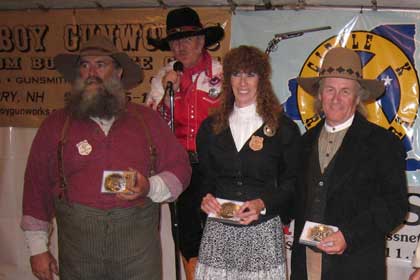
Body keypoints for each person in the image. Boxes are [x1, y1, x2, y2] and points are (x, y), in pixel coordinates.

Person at [21, 35, 191, 280]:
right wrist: (37, 249)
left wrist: (149, 186)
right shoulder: (56, 124)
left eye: (101, 64)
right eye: (84, 65)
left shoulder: (147, 120)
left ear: (118, 72)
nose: (91, 72)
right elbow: (35, 187)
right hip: (78, 253)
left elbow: (180, 168)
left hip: (138, 253)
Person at [290, 47, 408, 280]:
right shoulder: (303, 143)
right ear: (320, 95)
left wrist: (349, 236)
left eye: (345, 91)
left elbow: (394, 206)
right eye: (330, 90)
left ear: (357, 98)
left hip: (356, 266)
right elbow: (290, 197)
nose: (336, 99)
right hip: (307, 264)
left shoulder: (382, 143)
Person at [195, 45, 301, 279]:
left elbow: (292, 182)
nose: (243, 83)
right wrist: (206, 198)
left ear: (261, 79)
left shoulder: (284, 129)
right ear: (228, 79)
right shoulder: (210, 127)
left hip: (262, 231)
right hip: (219, 233)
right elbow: (205, 177)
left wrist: (262, 204)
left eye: (250, 74)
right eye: (236, 74)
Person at [147, 6, 225, 279]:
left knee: (218, 229)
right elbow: (151, 125)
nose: (180, 46)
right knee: (186, 234)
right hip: (179, 167)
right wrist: (172, 91)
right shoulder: (163, 78)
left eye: (188, 39)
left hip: (215, 167)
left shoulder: (222, 74)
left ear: (202, 41)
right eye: (175, 41)